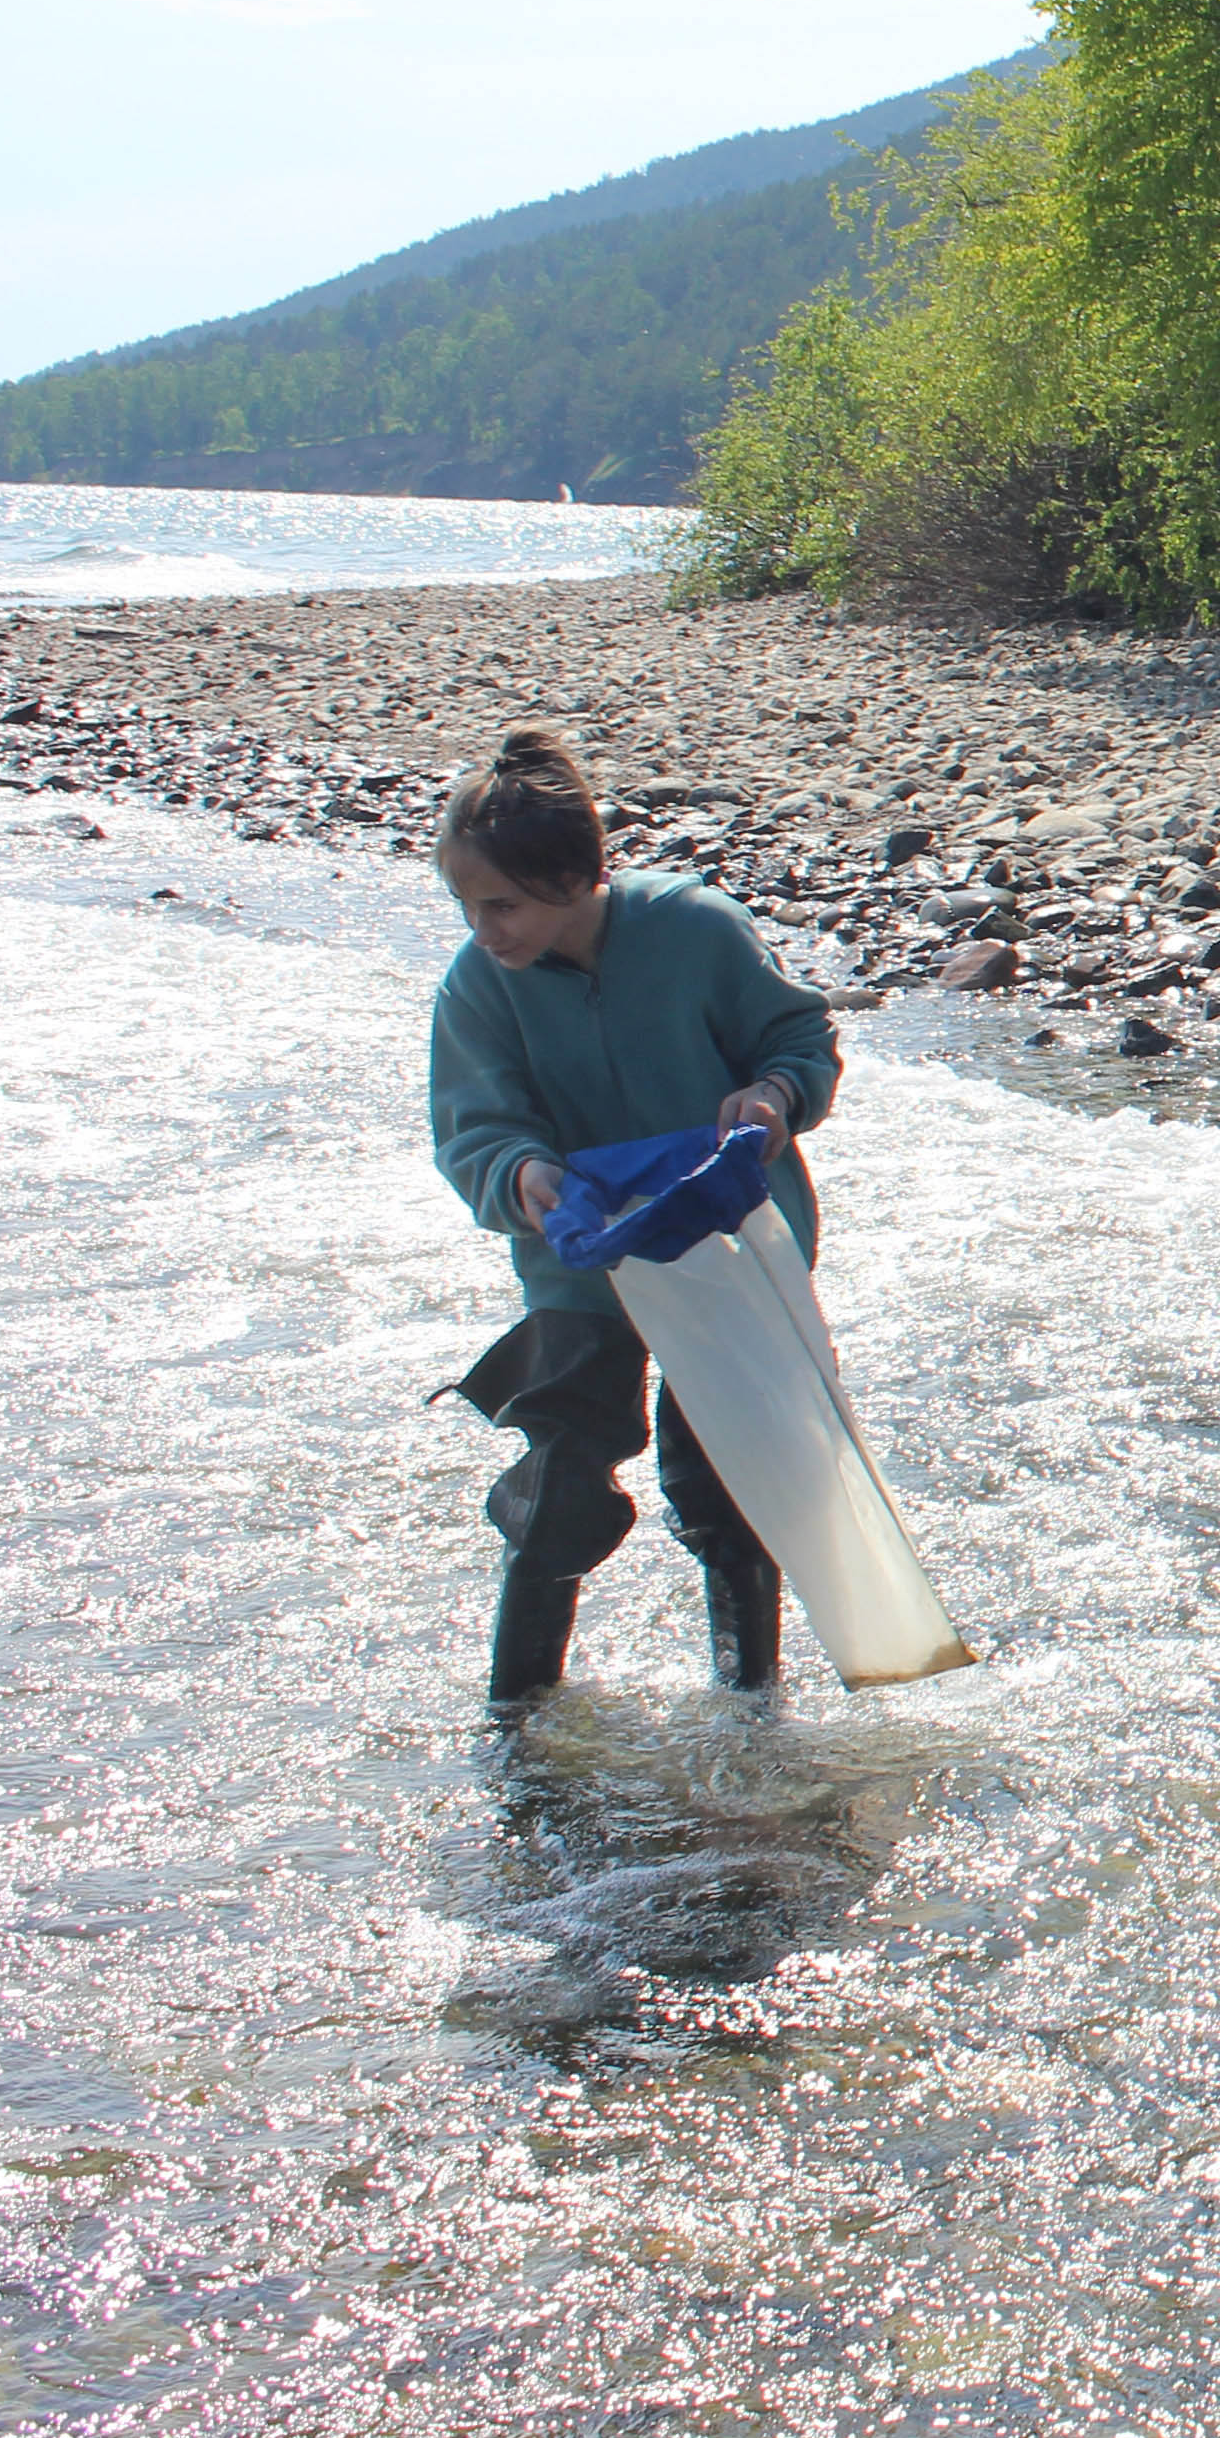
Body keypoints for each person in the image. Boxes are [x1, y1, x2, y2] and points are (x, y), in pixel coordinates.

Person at [425, 729, 840, 1706]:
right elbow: (473, 1129)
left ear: (579, 877)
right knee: (558, 1493)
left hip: (728, 1252)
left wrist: (775, 1096)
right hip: (581, 1268)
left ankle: (751, 1708)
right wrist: (520, 1174)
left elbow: (798, 1036)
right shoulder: (478, 986)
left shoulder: (695, 930)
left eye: (503, 904)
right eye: (465, 905)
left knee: (729, 1490)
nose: (484, 929)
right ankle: (517, 1722)